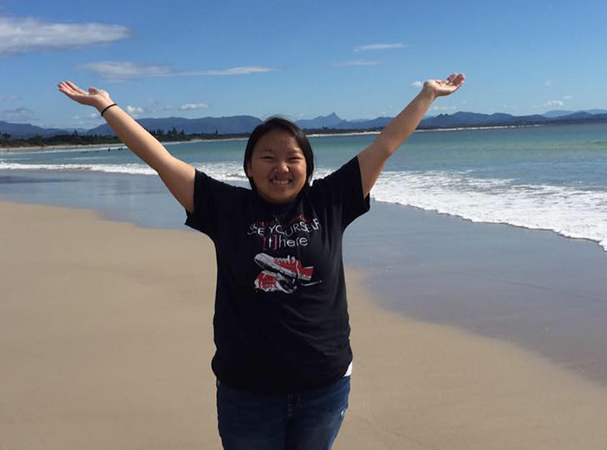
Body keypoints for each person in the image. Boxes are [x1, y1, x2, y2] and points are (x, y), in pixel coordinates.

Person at [58, 72, 465, 450]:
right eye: (268, 157)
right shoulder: (225, 206)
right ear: (249, 167)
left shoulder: (330, 200)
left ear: (307, 166)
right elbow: (160, 158)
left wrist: (426, 94)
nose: (281, 167)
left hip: (324, 384)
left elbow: (385, 145)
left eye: (293, 157)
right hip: (246, 389)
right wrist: (106, 106)